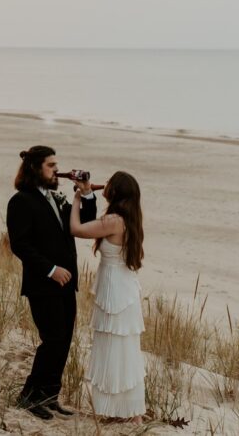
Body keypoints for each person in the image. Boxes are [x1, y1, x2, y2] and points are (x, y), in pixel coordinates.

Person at [6, 145, 97, 420]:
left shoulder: (57, 198)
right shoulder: (21, 201)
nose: (57, 170)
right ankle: (29, 397)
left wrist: (87, 193)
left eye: (57, 165)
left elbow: (85, 222)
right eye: (51, 165)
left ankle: (49, 396)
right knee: (52, 339)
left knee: (64, 340)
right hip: (43, 283)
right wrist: (50, 269)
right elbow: (20, 245)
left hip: (67, 284)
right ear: (35, 168)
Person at [70, 170, 146, 424]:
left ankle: (119, 410)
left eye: (110, 182)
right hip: (122, 286)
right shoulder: (128, 218)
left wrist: (78, 199)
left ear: (115, 191)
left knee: (114, 348)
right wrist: (88, 191)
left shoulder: (114, 219)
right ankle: (129, 411)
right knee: (123, 348)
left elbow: (77, 229)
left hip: (116, 290)